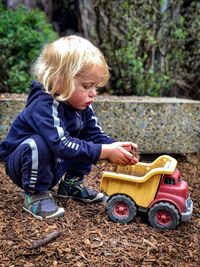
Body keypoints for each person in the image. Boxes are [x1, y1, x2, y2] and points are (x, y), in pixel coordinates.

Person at [0, 35, 138, 220]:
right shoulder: (44, 105)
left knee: (86, 141)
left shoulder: (82, 105)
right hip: (23, 163)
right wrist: (104, 151)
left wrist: (114, 147)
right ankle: (36, 195)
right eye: (87, 86)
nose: (93, 93)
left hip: (54, 159)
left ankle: (71, 185)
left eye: (96, 86)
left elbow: (94, 135)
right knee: (38, 143)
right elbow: (61, 144)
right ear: (60, 82)